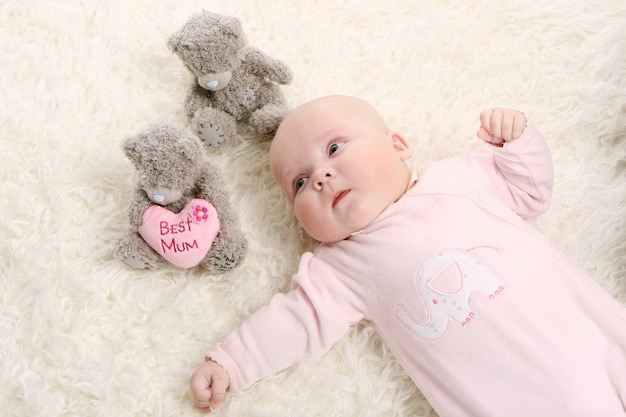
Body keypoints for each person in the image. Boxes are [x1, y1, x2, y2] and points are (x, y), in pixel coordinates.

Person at [190, 95, 626, 416]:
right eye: (299, 183)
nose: (321, 175)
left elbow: (531, 192)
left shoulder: (460, 176)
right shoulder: (341, 265)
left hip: (601, 341)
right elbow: (295, 320)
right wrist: (231, 362)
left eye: (335, 148)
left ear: (397, 145)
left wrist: (517, 140)